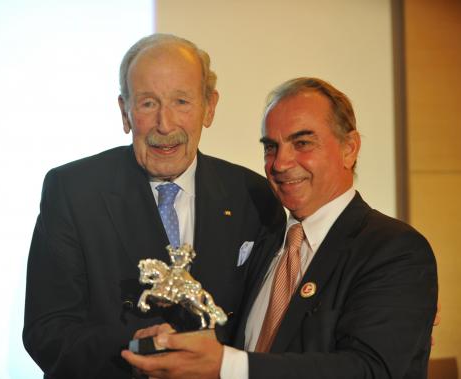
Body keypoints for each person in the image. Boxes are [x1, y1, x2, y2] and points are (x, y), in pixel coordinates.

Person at [121, 77, 438, 379]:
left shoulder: (395, 251)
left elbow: (370, 371)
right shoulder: (264, 241)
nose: (280, 163)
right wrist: (181, 347)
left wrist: (226, 366)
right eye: (270, 147)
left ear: (349, 148)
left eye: (302, 142)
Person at [22, 33, 285, 379]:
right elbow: (47, 331)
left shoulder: (253, 196)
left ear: (209, 107)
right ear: (125, 111)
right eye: (148, 103)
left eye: (181, 102)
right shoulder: (73, 191)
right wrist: (134, 344)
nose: (165, 124)